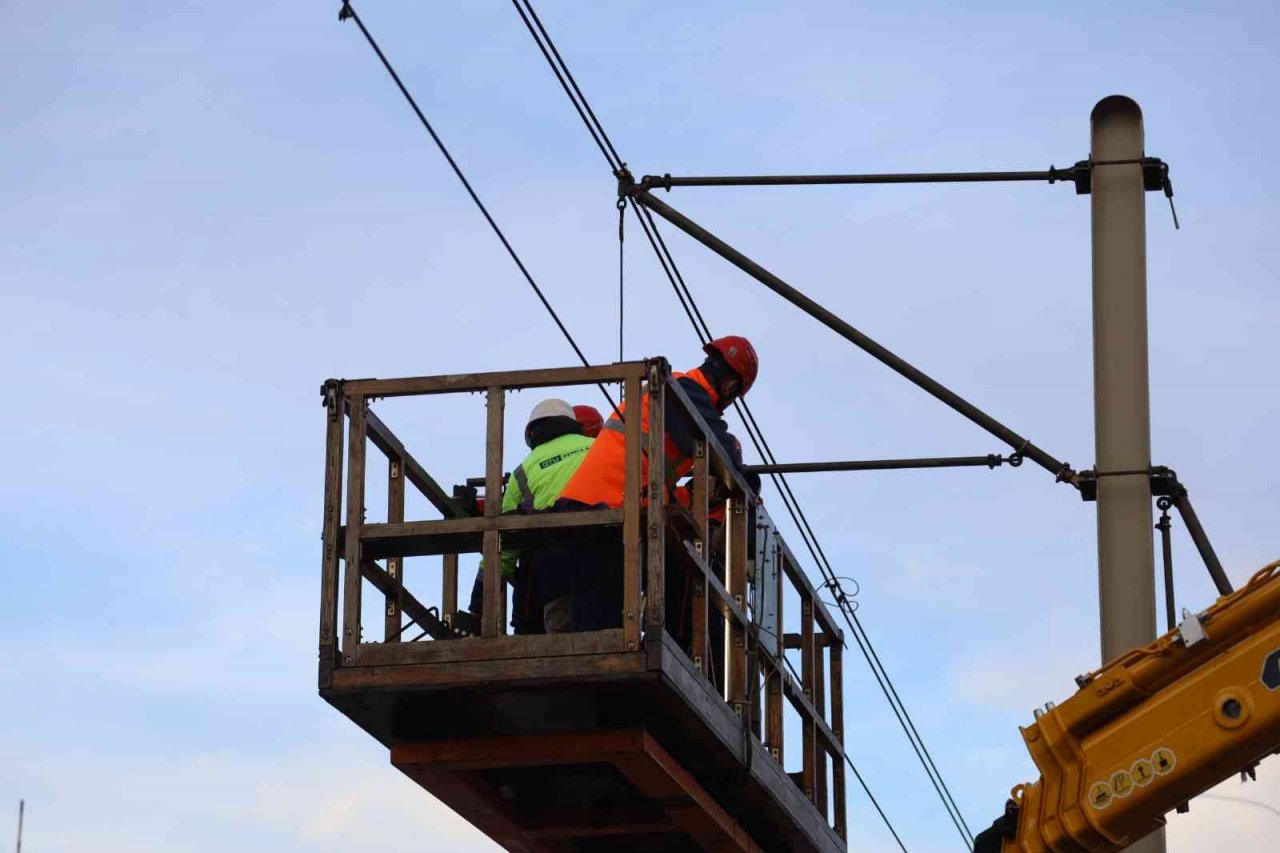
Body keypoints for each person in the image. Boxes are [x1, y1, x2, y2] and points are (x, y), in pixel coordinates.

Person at [550, 335, 761, 632]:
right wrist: (746, 481)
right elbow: (721, 449)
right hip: (607, 507)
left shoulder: (672, 395)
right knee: (603, 624)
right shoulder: (684, 391)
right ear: (730, 387)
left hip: (595, 506)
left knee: (599, 617)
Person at [463, 398, 595, 634]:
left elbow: (502, 549)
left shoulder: (523, 473)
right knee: (608, 635)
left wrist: (476, 607)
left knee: (561, 653)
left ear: (533, 432)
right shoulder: (598, 449)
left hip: (557, 574)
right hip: (610, 564)